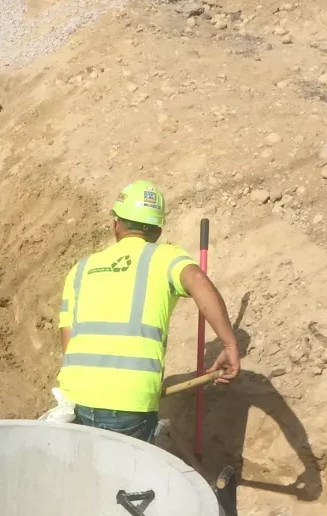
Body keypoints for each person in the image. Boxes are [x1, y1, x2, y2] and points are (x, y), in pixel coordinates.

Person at [58, 181, 240, 443]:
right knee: (123, 480)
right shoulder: (165, 257)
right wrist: (229, 344)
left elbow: (68, 340)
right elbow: (199, 282)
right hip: (129, 403)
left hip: (74, 398)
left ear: (116, 224)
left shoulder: (81, 269)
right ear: (157, 231)